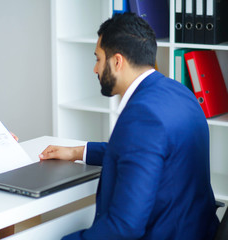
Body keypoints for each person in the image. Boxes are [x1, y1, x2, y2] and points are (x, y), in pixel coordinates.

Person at [39, 13, 219, 239]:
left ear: (117, 61)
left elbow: (124, 227)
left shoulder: (142, 116)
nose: (95, 69)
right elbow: (146, 150)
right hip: (197, 229)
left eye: (98, 59)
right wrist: (79, 152)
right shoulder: (180, 92)